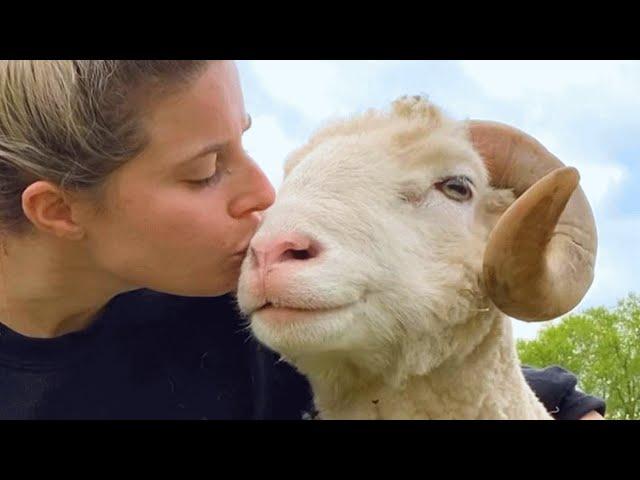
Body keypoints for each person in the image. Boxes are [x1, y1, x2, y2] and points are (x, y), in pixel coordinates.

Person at [0, 60, 605, 420]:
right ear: (57, 210)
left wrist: (570, 406)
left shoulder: (256, 308)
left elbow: (440, 365)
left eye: (244, 139)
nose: (267, 195)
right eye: (203, 172)